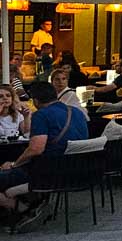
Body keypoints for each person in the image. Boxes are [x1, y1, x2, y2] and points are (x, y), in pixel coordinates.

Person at [0, 80, 89, 210]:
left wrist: (14, 164)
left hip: (49, 172)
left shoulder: (41, 115)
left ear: (35, 101)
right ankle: (30, 203)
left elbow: (36, 149)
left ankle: (23, 209)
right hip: (79, 170)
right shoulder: (76, 112)